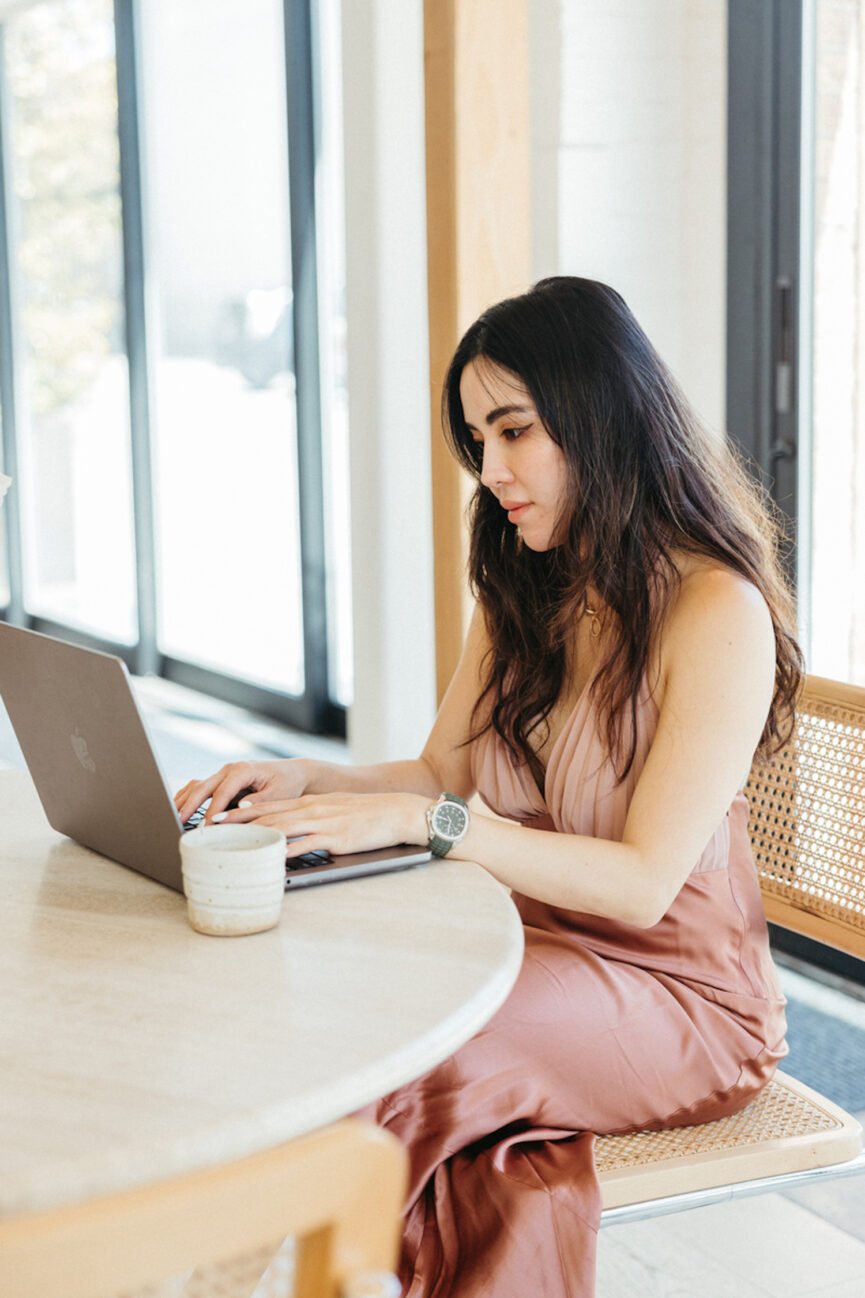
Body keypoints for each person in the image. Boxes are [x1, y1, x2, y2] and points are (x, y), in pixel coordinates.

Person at [175, 276, 803, 1298]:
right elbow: (442, 772)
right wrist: (300, 776)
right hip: (526, 947)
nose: (492, 470)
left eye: (515, 430)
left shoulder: (711, 608)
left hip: (683, 1001)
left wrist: (434, 824)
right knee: (450, 1121)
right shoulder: (528, 574)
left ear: (600, 414)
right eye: (479, 439)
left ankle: (218, 1274)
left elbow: (643, 882)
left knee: (385, 1057)